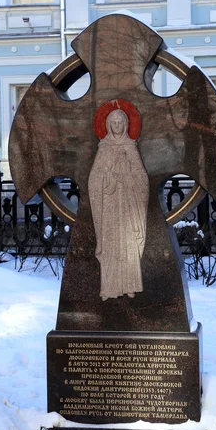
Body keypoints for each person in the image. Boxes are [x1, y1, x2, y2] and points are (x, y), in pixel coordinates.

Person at [88, 109, 149, 301]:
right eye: (112, 122)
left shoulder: (130, 147)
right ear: (107, 125)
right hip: (109, 208)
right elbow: (94, 179)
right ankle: (108, 288)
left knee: (127, 246)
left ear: (126, 124)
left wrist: (126, 178)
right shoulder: (104, 148)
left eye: (119, 122)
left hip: (128, 207)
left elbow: (142, 178)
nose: (116, 126)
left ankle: (130, 285)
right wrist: (107, 178)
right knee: (111, 247)